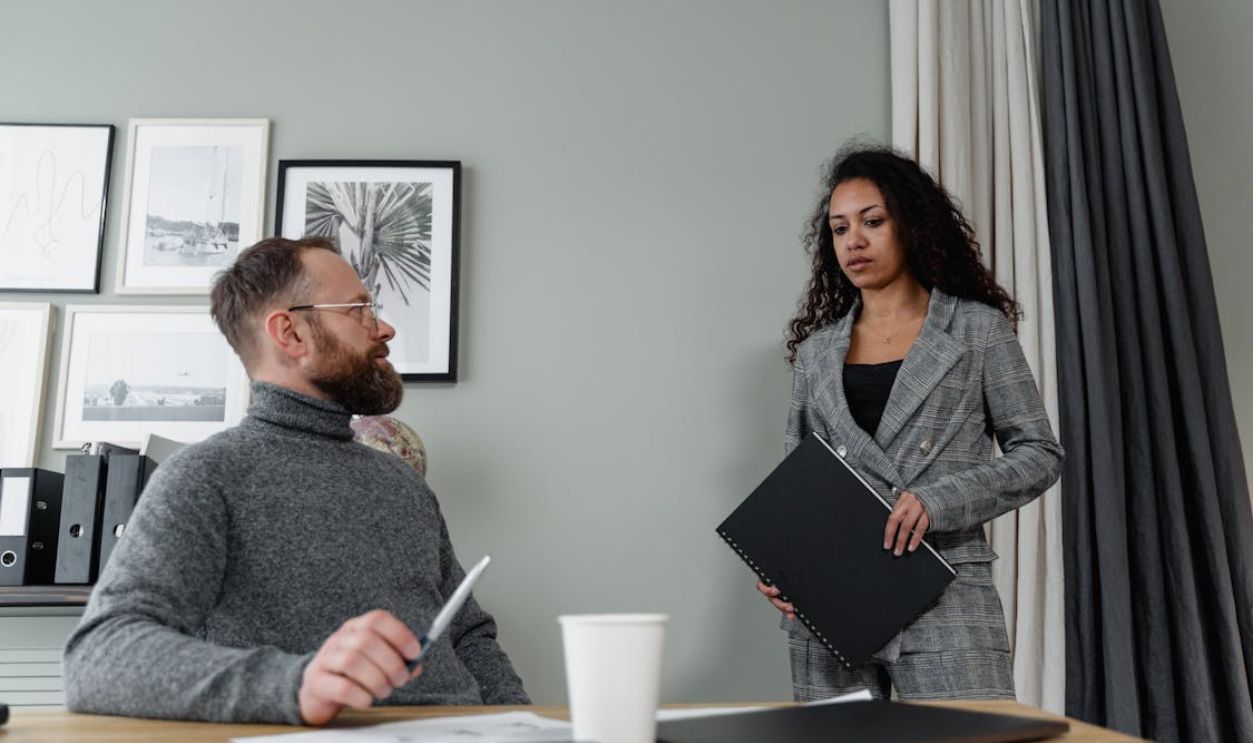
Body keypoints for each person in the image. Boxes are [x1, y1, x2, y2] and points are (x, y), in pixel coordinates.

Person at [63, 236, 529, 725]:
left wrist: (520, 722)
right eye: (360, 311)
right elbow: (99, 655)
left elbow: (469, 634)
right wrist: (297, 683)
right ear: (290, 333)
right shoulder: (205, 478)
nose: (385, 328)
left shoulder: (401, 481)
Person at [756, 145, 1063, 701]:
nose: (855, 241)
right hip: (829, 601)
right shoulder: (817, 354)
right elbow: (797, 479)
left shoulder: (977, 331)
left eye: (873, 222)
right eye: (840, 228)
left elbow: (1039, 453)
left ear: (912, 226)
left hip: (944, 592)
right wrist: (783, 564)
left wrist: (937, 500)